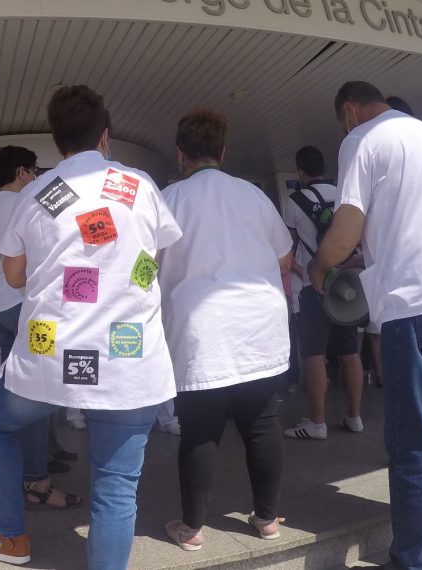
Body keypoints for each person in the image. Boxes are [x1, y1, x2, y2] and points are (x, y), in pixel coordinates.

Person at [0, 85, 182, 567]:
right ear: (105, 136)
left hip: (50, 352)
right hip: (129, 356)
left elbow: (15, 276)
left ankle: (11, 538)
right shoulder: (139, 185)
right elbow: (157, 252)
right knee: (116, 488)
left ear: (58, 142)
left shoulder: (36, 193)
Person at [311, 81, 422, 570]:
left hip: (420, 304)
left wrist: (319, 270)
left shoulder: (363, 138)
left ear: (350, 110)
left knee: (415, 444)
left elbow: (346, 229)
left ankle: (411, 562)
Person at [157, 110, 292, 550]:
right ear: (223, 151)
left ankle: (192, 528)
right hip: (259, 324)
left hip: (201, 329)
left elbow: (146, 268)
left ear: (181, 154)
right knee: (262, 422)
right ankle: (268, 519)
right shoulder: (252, 196)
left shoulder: (170, 199)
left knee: (200, 429)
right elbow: (285, 258)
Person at [0, 144, 79, 507]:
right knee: (37, 390)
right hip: (26, 308)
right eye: (35, 170)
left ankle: (44, 455)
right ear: (22, 172)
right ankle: (35, 480)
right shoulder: (20, 202)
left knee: (35, 385)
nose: (38, 177)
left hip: (7, 307)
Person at [282, 146, 366, 440]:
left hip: (311, 285)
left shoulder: (294, 203)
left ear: (301, 172)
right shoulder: (342, 194)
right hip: (346, 285)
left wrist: (300, 271)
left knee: (314, 353)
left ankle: (317, 421)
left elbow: (286, 248)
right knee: (349, 351)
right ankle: (355, 416)